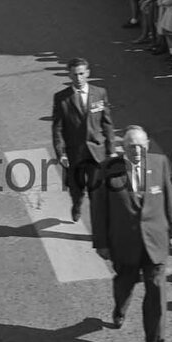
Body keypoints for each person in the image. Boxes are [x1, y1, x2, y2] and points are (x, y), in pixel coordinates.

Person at [91, 125, 172, 342]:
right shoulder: (107, 169)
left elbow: (169, 197)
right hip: (124, 243)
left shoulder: (160, 163)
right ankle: (120, 307)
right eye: (131, 146)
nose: (137, 150)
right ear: (123, 148)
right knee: (124, 282)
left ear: (148, 145)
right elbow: (99, 210)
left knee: (157, 292)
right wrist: (100, 243)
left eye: (141, 145)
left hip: (155, 241)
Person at [51, 57, 114, 223]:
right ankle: (77, 204)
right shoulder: (61, 98)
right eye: (74, 75)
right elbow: (57, 129)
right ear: (69, 76)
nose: (78, 78)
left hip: (96, 151)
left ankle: (98, 224)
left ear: (87, 73)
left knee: (97, 191)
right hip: (74, 152)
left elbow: (107, 123)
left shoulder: (100, 93)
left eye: (81, 74)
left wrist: (111, 150)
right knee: (76, 189)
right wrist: (61, 153)